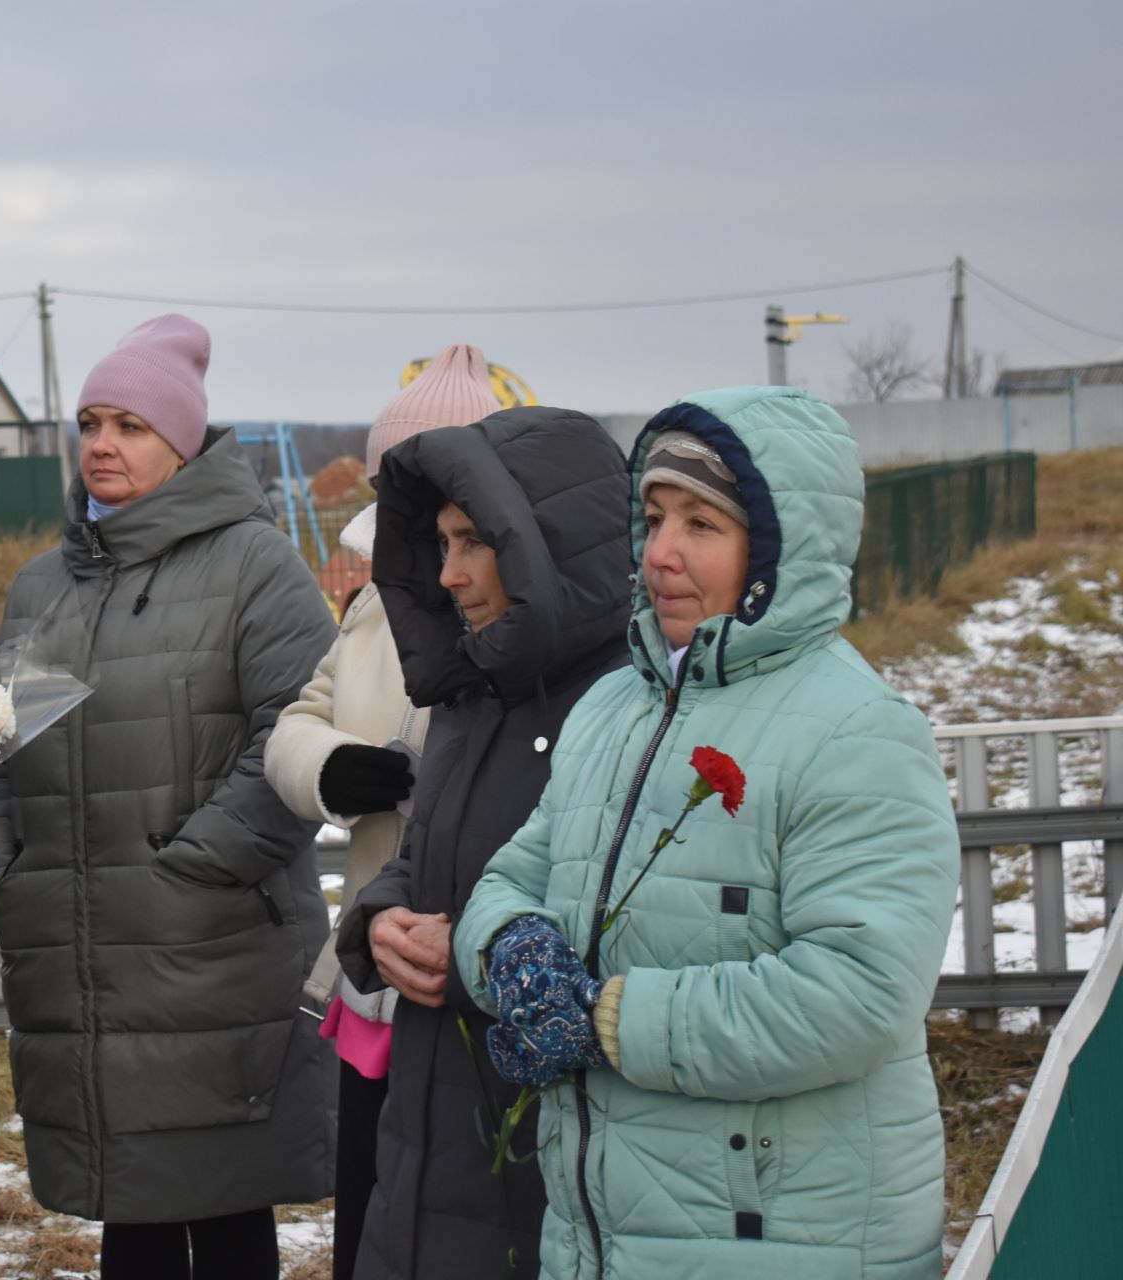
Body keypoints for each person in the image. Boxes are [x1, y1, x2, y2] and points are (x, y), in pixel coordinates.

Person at [454, 387, 960, 1278]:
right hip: (601, 1242)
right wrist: (514, 948)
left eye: (702, 524)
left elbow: (860, 994)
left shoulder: (857, 730)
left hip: (790, 1242)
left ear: (775, 545)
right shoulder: (616, 705)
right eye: (652, 517)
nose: (661, 553)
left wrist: (614, 1020)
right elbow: (510, 877)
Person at [0, 315, 338, 1280]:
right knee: (128, 1208)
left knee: (224, 1207)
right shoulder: (40, 586)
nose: (102, 443)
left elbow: (303, 724)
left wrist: (197, 868)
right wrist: (7, 862)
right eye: (91, 422)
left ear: (183, 445)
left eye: (131, 425)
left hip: (213, 949)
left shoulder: (254, 565)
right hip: (78, 950)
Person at [331, 402, 633, 1278]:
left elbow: (633, 931)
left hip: (545, 1167)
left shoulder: (620, 711)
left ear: (545, 544)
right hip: (426, 1139)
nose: (450, 574)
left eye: (473, 542)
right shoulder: (473, 693)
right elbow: (428, 857)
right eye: (439, 543)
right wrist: (379, 919)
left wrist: (467, 958)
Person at [263, 342, 504, 1278]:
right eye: (390, 487)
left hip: (474, 975)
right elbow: (296, 722)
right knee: (373, 1217)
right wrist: (336, 770)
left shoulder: (522, 612)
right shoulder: (373, 608)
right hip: (378, 967)